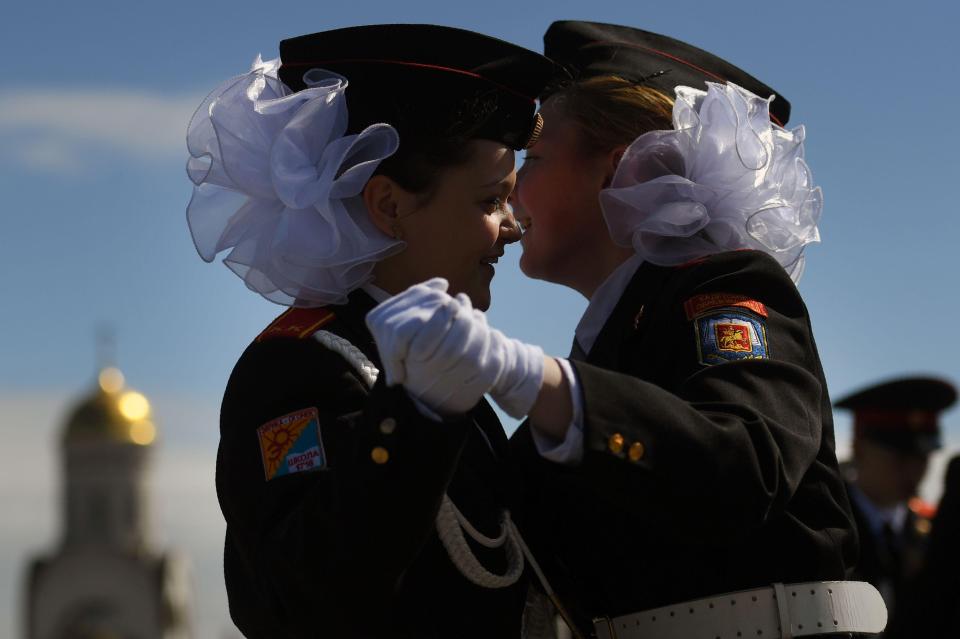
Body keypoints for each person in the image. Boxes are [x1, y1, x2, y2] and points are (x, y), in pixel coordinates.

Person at [366, 21, 887, 638]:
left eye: (532, 159)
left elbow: (747, 465)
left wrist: (535, 380)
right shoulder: (611, 341)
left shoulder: (723, 289)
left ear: (619, 170)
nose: (511, 193)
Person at [185, 24, 556, 638]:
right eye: (491, 202)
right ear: (388, 206)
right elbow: (305, 596)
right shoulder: (299, 371)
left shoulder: (432, 370)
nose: (512, 228)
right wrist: (418, 414)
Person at [833, 376, 957, 630]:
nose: (914, 470)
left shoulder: (932, 532)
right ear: (859, 446)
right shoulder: (827, 524)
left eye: (922, 457)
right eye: (901, 456)